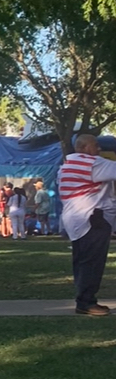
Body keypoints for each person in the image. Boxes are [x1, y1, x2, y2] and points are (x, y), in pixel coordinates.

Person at [57, 133, 116, 316]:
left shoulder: (66, 167)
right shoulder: (91, 163)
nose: (99, 149)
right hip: (92, 218)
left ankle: (84, 299)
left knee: (82, 261)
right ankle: (86, 302)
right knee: (93, 262)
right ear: (83, 148)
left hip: (75, 219)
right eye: (95, 145)